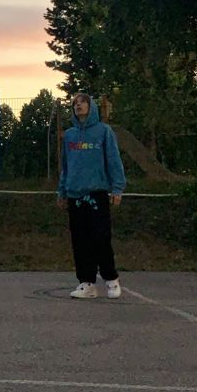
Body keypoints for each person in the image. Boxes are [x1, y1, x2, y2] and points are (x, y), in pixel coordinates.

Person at [57, 92, 126, 299]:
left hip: (97, 193)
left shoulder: (104, 132)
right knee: (80, 240)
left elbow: (113, 160)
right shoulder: (69, 135)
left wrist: (117, 188)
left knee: (100, 237)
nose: (78, 105)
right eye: (75, 103)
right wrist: (62, 191)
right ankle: (86, 283)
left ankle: (111, 279)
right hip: (74, 194)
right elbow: (66, 166)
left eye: (83, 102)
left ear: (91, 106)